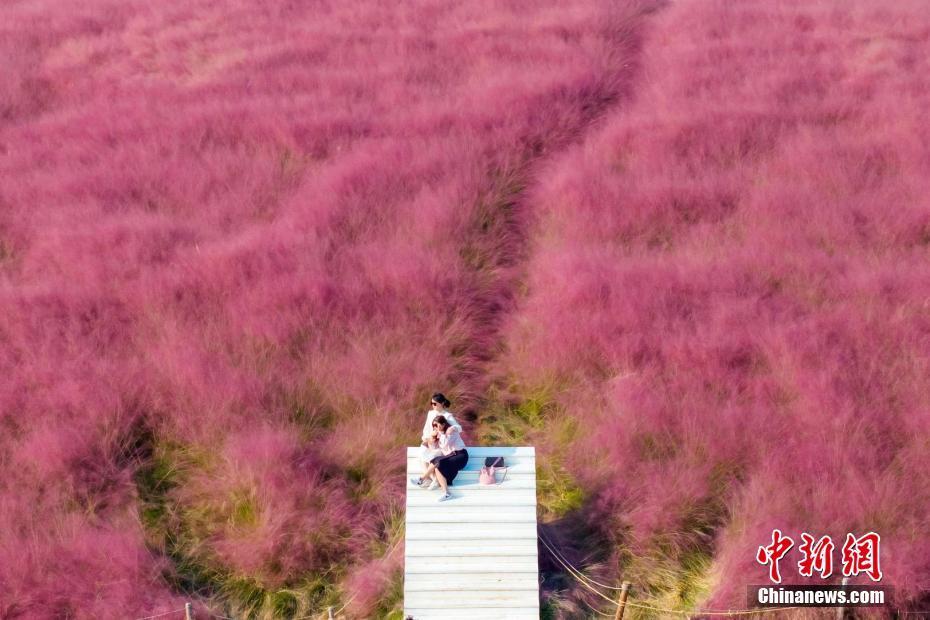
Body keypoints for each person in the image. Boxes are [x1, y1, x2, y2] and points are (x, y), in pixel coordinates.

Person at [411, 414, 468, 502]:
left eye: (437, 425)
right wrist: (433, 437)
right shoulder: (440, 434)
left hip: (460, 456)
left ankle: (421, 479)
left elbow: (445, 444)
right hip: (452, 456)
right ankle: (446, 493)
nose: (435, 427)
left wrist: (441, 433)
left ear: (443, 424)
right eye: (434, 425)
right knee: (437, 464)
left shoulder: (450, 431)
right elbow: (435, 448)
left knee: (438, 462)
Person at [414, 393, 461, 490]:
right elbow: (426, 429)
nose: (432, 405)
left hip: (441, 444)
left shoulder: (447, 416)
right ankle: (433, 479)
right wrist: (426, 439)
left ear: (442, 403)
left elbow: (459, 428)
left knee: (431, 457)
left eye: (435, 403)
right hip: (431, 441)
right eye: (431, 403)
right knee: (421, 455)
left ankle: (429, 479)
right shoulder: (430, 413)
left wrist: (452, 429)